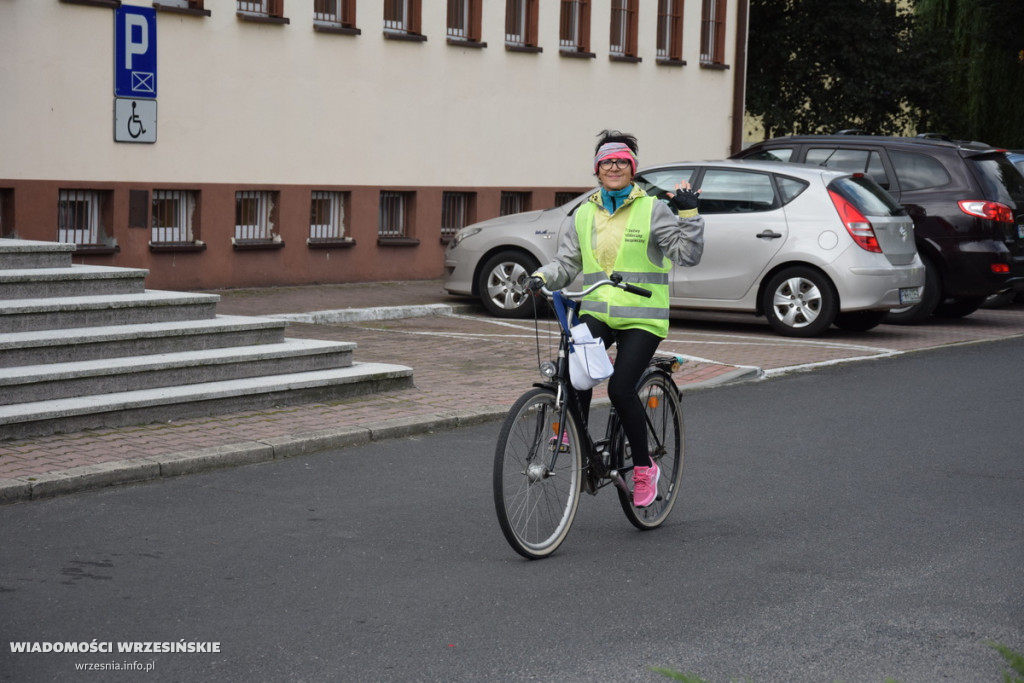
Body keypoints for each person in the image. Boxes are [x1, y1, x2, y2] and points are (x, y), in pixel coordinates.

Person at [527, 129, 704, 508]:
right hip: (598, 311)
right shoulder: (584, 213)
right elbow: (567, 264)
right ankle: (577, 438)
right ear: (596, 169)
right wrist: (542, 276)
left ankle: (644, 469)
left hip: (642, 316)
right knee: (573, 372)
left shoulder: (652, 208)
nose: (614, 167)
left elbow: (686, 255)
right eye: (606, 161)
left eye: (621, 161)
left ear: (632, 168)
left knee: (622, 389)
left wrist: (688, 213)